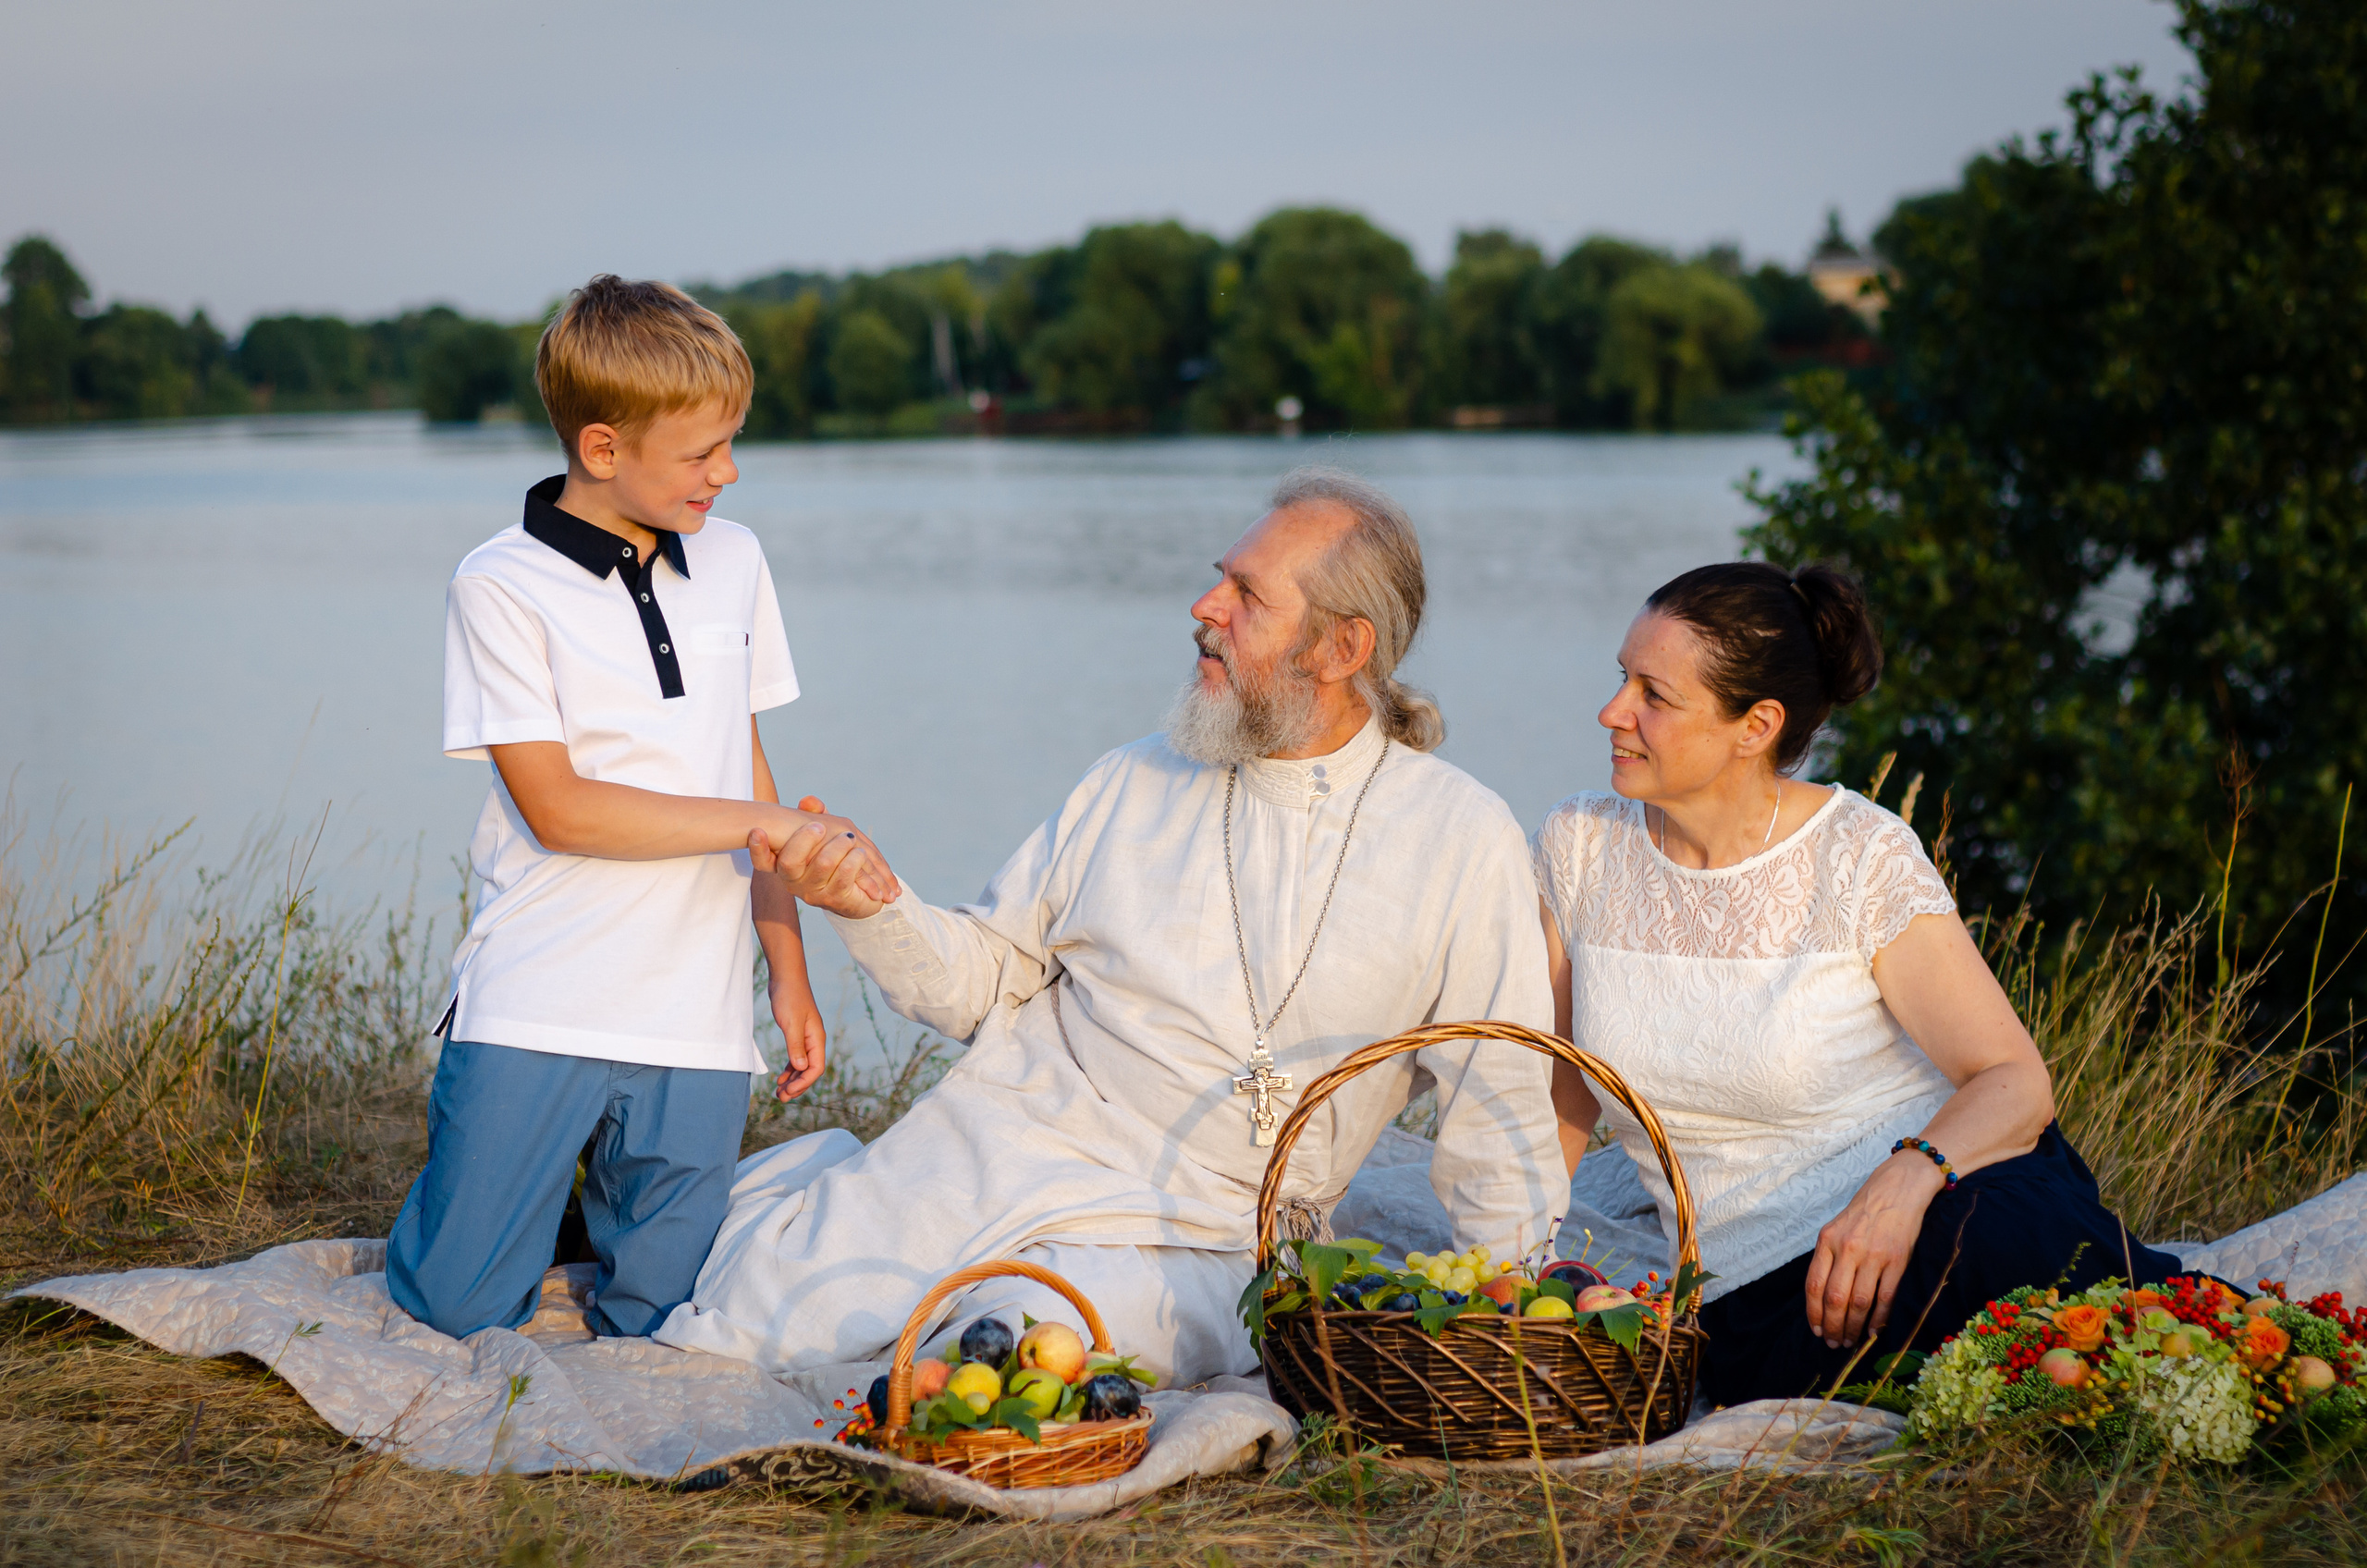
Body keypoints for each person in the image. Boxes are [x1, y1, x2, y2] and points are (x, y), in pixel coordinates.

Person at [654, 468, 1565, 1386]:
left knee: (1020, 1351)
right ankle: (797, 1226)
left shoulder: (1459, 837)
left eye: (1247, 595)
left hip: (1210, 1228)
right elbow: (982, 980)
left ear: (1339, 647)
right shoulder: (1133, 779)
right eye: (1222, 577)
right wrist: (870, 898)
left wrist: (1511, 1313)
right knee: (746, 1325)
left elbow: (1500, 1098)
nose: (1205, 606)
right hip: (1005, 1138)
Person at [1533, 561, 2187, 1407]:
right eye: (1621, 678)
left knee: (1996, 1260)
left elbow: (2016, 1082)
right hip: (1757, 1291)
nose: (1613, 711)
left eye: (1653, 694)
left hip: (1944, 1199)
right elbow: (1558, 1091)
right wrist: (1511, 1267)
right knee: (1809, 1365)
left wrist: (1906, 1180)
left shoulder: (1859, 854)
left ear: (1754, 725)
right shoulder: (1581, 843)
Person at [389, 276, 891, 1341]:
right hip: (544, 992)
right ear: (605, 448)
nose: (729, 471)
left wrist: (786, 969)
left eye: (732, 444)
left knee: (660, 1316)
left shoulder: (737, 558)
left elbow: (746, 771)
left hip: (694, 1013)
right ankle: (494, 1213)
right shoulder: (500, 584)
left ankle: (568, 1222)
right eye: (703, 452)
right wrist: (770, 828)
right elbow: (562, 811)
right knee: (456, 1309)